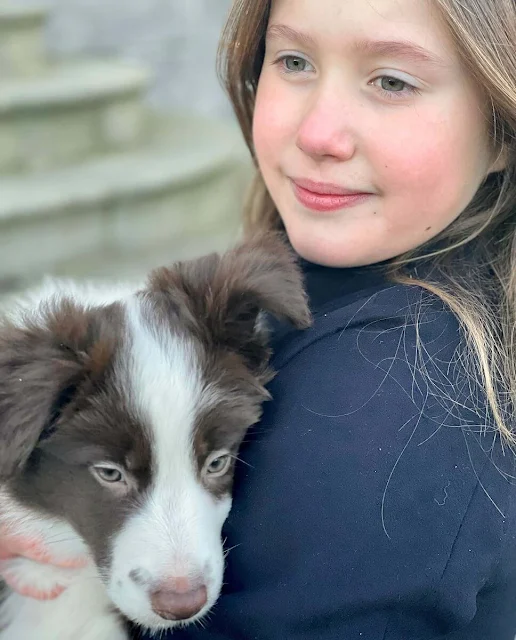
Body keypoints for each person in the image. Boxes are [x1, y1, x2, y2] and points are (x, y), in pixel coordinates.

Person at [2, 0, 516, 637]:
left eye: (392, 81)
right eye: (294, 61)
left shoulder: (382, 409)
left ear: (502, 130)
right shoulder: (319, 284)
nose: (318, 133)